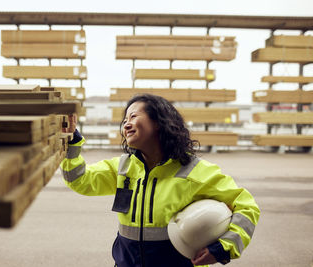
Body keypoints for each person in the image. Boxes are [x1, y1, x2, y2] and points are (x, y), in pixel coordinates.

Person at [60, 94, 260, 267]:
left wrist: (224, 247)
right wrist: (73, 143)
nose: (126, 123)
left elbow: (246, 206)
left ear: (158, 122)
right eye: (124, 120)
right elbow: (79, 179)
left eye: (134, 116)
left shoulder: (195, 172)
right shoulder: (122, 168)